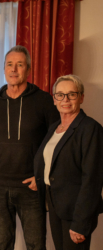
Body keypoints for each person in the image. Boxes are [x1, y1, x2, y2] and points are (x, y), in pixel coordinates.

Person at [0, 45, 60, 250]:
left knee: (36, 245)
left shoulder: (44, 101)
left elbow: (57, 142)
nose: (14, 69)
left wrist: (42, 176)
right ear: (3, 69)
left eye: (20, 64)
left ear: (28, 69)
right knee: (3, 245)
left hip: (31, 187)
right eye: (10, 64)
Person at [34, 75, 103, 250]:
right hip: (56, 206)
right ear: (54, 99)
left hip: (75, 212)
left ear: (81, 97)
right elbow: (54, 161)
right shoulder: (55, 127)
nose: (65, 99)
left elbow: (92, 180)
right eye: (60, 95)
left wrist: (81, 223)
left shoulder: (90, 129)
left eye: (71, 94)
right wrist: (40, 178)